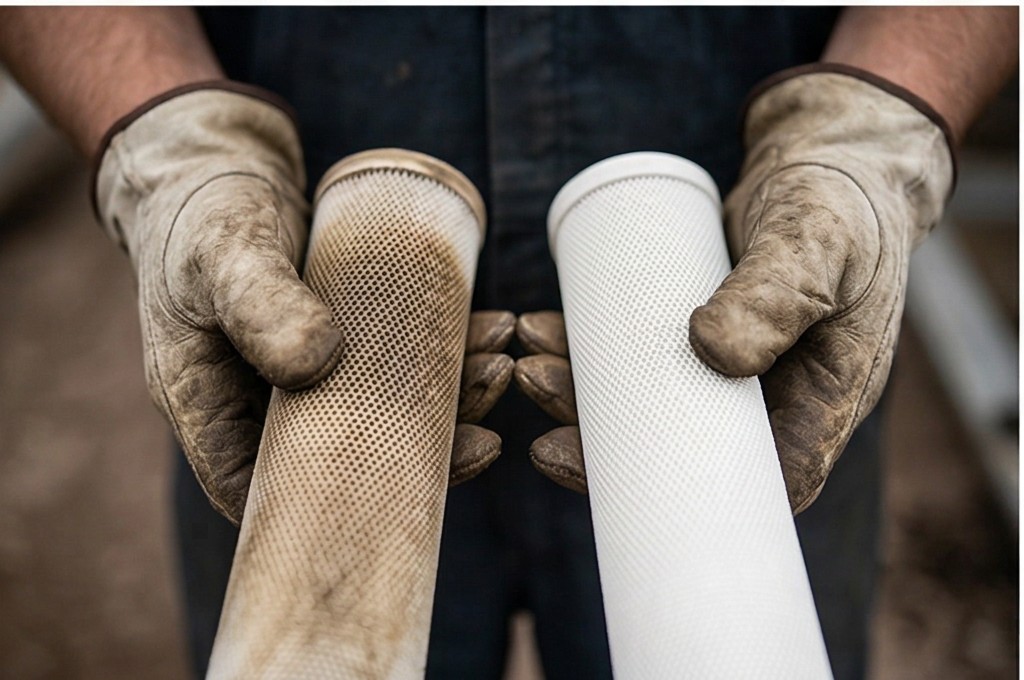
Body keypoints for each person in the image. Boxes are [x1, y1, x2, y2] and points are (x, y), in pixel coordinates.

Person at [0, 7, 1016, 679]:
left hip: (746, 315)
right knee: (304, 647)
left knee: (732, 641)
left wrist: (875, 128)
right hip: (317, 329)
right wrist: (169, 143)